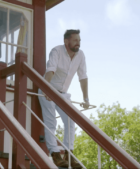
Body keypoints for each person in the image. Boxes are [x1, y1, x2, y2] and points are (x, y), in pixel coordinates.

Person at [38, 29, 89, 168]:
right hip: (47, 89)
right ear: (66, 41)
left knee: (71, 120)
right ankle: (55, 154)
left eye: (79, 40)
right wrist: (46, 89)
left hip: (63, 94)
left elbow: (83, 77)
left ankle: (69, 154)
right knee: (51, 122)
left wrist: (86, 98)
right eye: (75, 40)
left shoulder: (81, 55)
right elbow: (51, 70)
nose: (78, 43)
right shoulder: (57, 51)